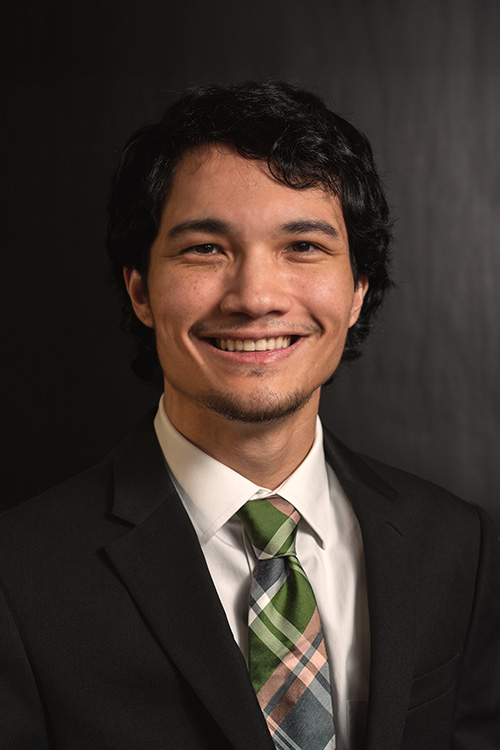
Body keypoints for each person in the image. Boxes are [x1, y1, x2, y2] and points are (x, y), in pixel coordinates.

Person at [0, 80, 498, 750]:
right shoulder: (19, 579)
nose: (255, 296)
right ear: (140, 289)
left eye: (303, 247)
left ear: (357, 290)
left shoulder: (457, 547)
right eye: (206, 248)